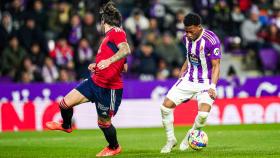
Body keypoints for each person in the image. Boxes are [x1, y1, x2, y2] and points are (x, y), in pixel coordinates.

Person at [45, 2, 131, 157]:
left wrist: (109, 61)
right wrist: (97, 65)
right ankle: (66, 125)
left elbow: (126, 50)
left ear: (103, 21)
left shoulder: (117, 32)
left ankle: (114, 147)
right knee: (64, 104)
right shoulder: (108, 39)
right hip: (94, 82)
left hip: (109, 88)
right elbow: (124, 67)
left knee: (104, 123)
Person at [160, 13, 221, 153]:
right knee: (165, 107)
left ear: (199, 27)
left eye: (191, 31)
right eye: (185, 31)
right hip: (189, 79)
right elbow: (191, 55)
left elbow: (216, 65)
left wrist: (213, 86)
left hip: (206, 82)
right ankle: (170, 140)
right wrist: (183, 69)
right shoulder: (186, 38)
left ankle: (191, 134)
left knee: (203, 115)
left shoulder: (211, 40)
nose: (187, 34)